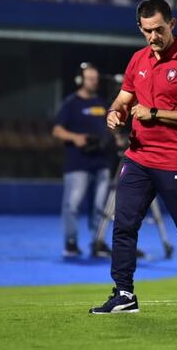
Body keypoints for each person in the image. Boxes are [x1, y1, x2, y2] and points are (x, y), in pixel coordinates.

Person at [90, 0, 177, 314]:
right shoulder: (138, 60)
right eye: (147, 31)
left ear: (173, 24)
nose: (153, 37)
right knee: (123, 224)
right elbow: (124, 98)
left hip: (176, 159)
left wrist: (155, 113)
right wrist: (115, 112)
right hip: (138, 157)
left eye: (159, 29)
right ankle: (124, 294)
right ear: (140, 28)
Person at [52, 63, 113, 258]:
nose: (93, 82)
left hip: (101, 161)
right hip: (77, 162)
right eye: (90, 78)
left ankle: (98, 241)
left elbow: (110, 128)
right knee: (72, 204)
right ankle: (71, 242)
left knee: (100, 206)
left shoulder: (102, 103)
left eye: (95, 79)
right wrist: (75, 138)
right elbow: (56, 130)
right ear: (80, 80)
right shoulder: (71, 103)